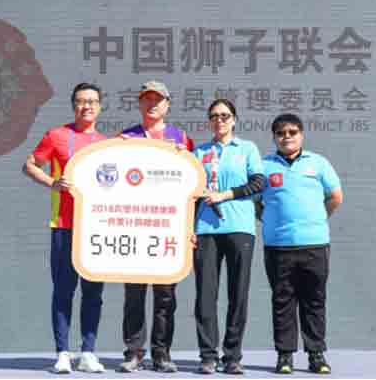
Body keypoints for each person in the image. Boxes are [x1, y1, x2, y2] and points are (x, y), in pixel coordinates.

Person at [23, 83, 107, 374]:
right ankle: (62, 353)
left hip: (96, 228)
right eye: (82, 101)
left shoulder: (106, 144)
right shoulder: (57, 136)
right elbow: (30, 165)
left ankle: (88, 352)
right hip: (64, 225)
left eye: (92, 101)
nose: (87, 106)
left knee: (93, 293)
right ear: (74, 106)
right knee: (63, 291)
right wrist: (52, 183)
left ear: (100, 107)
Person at [258, 113, 343, 375]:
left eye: (292, 132)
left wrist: (316, 220)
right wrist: (273, 220)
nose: (287, 137)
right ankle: (284, 356)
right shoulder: (263, 166)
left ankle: (316, 355)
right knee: (282, 301)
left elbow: (335, 197)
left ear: (301, 134)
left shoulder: (318, 163)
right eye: (281, 133)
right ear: (274, 137)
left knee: (314, 300)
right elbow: (254, 203)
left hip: (315, 244)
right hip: (278, 246)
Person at [117, 80, 193, 373]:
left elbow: (190, 186)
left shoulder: (180, 138)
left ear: (167, 105)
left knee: (165, 297)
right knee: (134, 295)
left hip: (167, 228)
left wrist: (188, 228)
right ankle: (134, 352)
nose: (152, 104)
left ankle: (161, 353)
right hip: (135, 228)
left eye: (157, 100)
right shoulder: (126, 138)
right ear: (139, 103)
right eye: (147, 99)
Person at [192, 98, 265, 375]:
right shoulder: (199, 152)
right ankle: (208, 355)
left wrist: (225, 194)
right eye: (214, 116)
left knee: (238, 293)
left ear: (234, 119)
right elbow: (190, 193)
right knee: (205, 295)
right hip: (206, 229)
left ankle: (232, 356)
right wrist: (189, 228)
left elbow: (258, 183)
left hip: (239, 227)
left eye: (224, 115)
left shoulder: (247, 149)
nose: (219, 120)